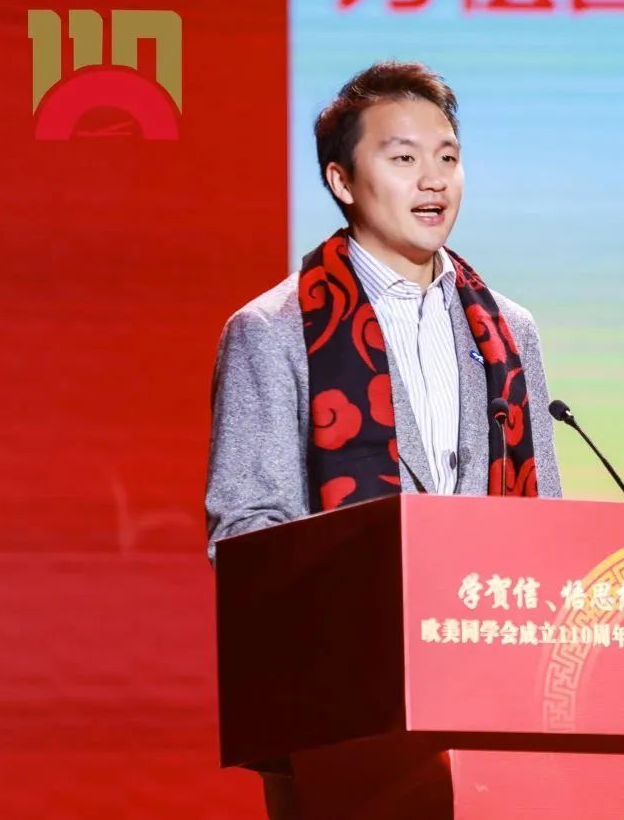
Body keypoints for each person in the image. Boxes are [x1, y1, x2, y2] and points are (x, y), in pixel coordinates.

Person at [204, 61, 563, 816]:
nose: (433, 180)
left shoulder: (508, 330)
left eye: (448, 158)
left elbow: (547, 527)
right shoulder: (272, 331)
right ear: (341, 179)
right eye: (403, 158)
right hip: (336, 703)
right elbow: (244, 534)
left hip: (494, 694)